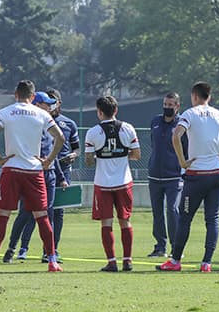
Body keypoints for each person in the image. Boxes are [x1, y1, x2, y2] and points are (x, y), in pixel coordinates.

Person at [157, 81, 219, 272]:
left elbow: (176, 136)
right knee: (212, 218)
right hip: (217, 175)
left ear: (194, 96)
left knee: (185, 217)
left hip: (197, 175)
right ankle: (206, 262)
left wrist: (182, 162)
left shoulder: (190, 113)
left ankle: (175, 261)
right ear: (209, 97)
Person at [0, 80, 65, 273]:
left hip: (11, 169)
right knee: (42, 216)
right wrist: (48, 160)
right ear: (33, 95)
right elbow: (59, 137)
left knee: (3, 215)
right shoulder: (42, 114)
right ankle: (52, 261)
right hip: (34, 170)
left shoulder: (5, 112)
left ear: (15, 94)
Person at [2, 91, 67, 263]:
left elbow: (54, 152)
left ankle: (49, 253)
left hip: (49, 173)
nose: (50, 106)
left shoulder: (49, 122)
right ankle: (12, 248)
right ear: (37, 104)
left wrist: (60, 175)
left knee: (48, 213)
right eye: (47, 103)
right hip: (31, 172)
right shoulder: (32, 120)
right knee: (24, 213)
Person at [85, 95, 141, 272]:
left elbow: (88, 161)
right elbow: (137, 155)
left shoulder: (92, 132)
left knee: (106, 223)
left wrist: (100, 156)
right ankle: (128, 260)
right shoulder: (127, 128)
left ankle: (112, 262)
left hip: (103, 183)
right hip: (124, 182)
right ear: (116, 110)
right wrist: (122, 156)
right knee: (125, 221)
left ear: (99, 112)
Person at [146, 92, 186, 260]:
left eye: (171, 105)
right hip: (155, 175)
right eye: (165, 104)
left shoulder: (182, 125)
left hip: (174, 176)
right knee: (157, 212)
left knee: (172, 209)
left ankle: (176, 248)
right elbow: (152, 143)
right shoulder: (155, 121)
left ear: (177, 106)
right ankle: (160, 246)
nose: (167, 108)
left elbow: (186, 148)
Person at [46, 87, 79, 256]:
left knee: (59, 211)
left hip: (63, 172)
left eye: (53, 100)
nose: (50, 104)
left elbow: (77, 148)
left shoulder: (69, 123)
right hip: (44, 170)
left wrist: (73, 155)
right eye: (47, 100)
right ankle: (22, 247)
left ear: (59, 103)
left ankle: (53, 249)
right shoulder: (39, 120)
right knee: (39, 211)